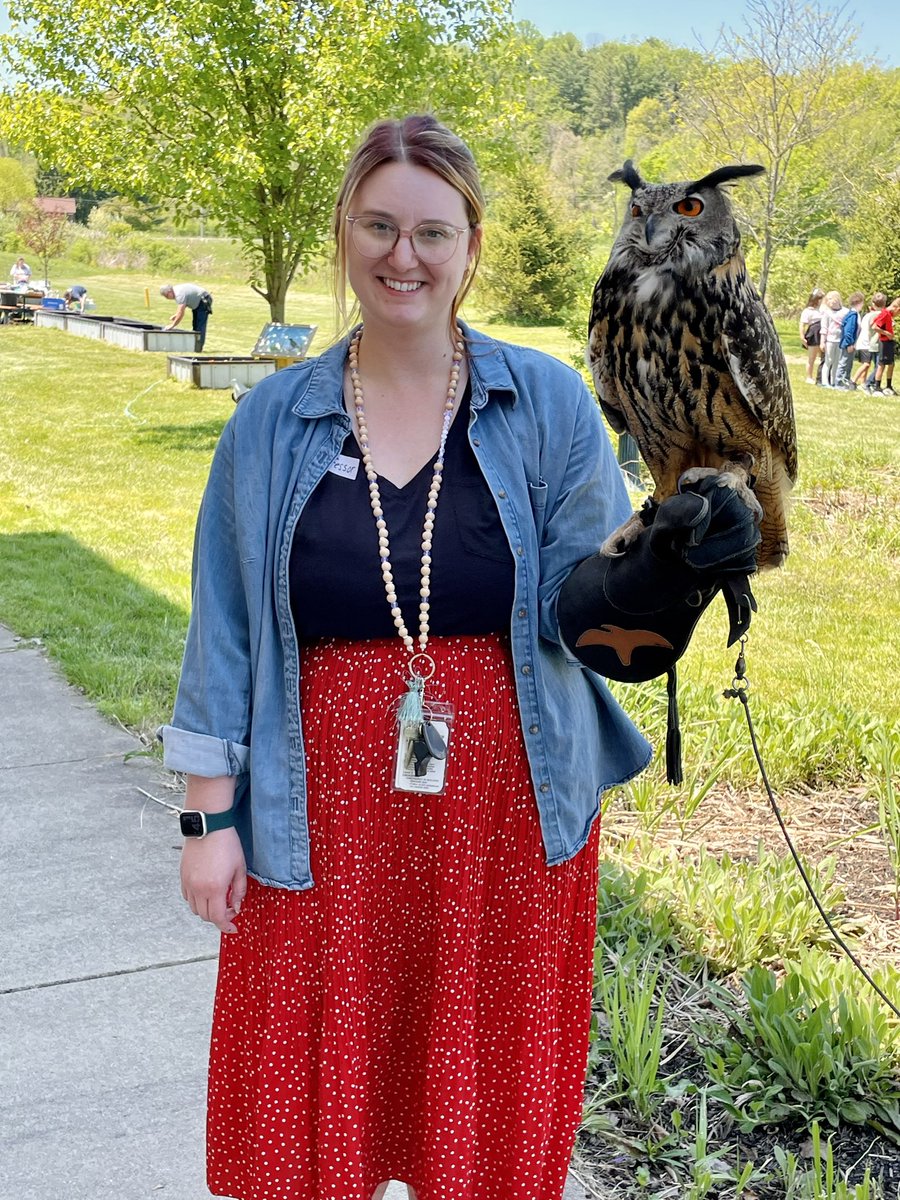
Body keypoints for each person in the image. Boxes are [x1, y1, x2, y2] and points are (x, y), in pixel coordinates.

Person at [159, 115, 755, 1200]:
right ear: (344, 233)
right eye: (379, 225)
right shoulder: (270, 421)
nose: (404, 255)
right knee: (308, 1121)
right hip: (312, 812)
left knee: (483, 1127)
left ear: (470, 247)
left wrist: (674, 558)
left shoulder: (549, 407)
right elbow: (225, 628)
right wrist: (210, 821)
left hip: (505, 819)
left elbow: (596, 611)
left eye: (432, 231)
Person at [159, 282, 213, 349]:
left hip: (203, 300)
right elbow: (184, 304)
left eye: (166, 295)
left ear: (170, 291)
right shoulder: (176, 291)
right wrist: (176, 315)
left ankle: (198, 347)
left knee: (200, 325)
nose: (167, 298)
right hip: (198, 301)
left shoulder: (179, 294)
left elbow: (181, 312)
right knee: (195, 324)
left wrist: (172, 325)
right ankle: (195, 345)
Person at [853, 293, 885, 390]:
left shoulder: (867, 315)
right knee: (869, 364)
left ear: (873, 304)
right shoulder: (878, 315)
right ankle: (855, 381)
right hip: (868, 343)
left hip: (863, 341)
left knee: (867, 364)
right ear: (884, 305)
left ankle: (863, 383)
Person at [834, 291, 864, 389]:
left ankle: (845, 380)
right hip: (848, 343)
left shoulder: (854, 314)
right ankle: (838, 382)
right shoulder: (853, 315)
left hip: (852, 343)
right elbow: (849, 331)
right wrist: (849, 344)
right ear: (858, 303)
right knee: (843, 362)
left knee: (849, 363)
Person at [870, 296, 899, 395]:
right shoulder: (885, 314)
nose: (898, 315)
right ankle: (877, 387)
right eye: (899, 313)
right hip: (884, 342)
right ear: (897, 308)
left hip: (889, 342)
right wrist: (887, 333)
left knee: (891, 364)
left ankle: (888, 386)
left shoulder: (888, 315)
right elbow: (874, 326)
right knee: (881, 365)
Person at [819, 290, 846, 388]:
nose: (830, 301)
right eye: (828, 299)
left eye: (831, 299)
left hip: (840, 340)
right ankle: (825, 381)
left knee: (837, 361)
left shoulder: (845, 312)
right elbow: (824, 328)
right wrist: (822, 342)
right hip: (830, 340)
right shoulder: (827, 313)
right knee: (828, 360)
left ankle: (834, 381)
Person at [799, 288, 824, 384]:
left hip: (821, 334)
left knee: (822, 356)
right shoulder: (807, 311)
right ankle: (809, 376)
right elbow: (802, 324)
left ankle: (821, 376)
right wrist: (802, 336)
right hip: (813, 334)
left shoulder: (822, 310)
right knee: (812, 357)